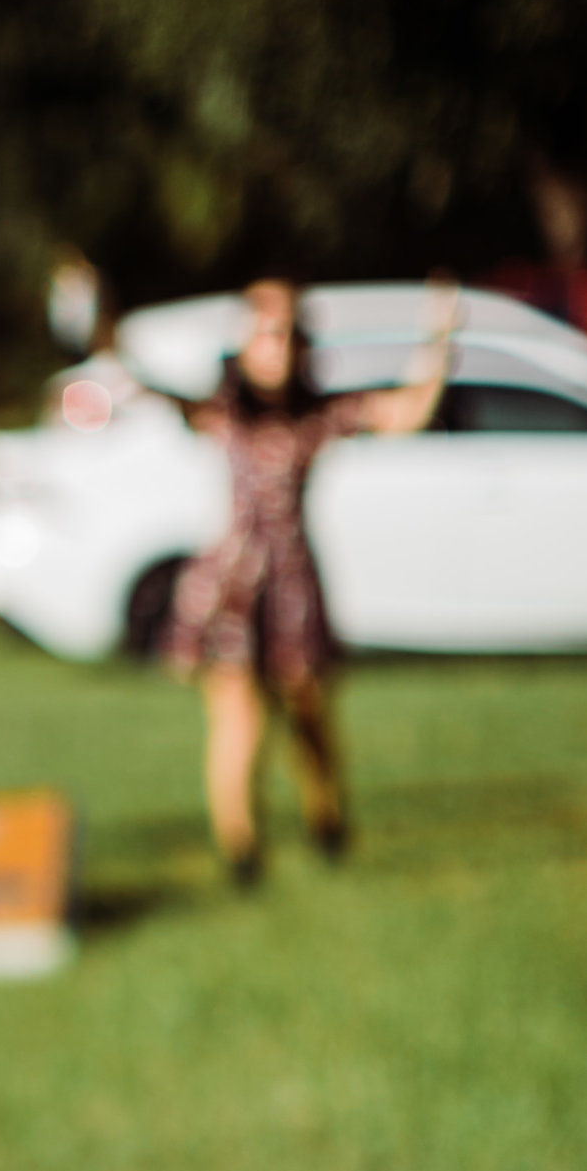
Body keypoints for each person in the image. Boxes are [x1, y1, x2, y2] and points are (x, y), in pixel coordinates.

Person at [165, 273, 458, 880]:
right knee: (238, 718)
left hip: (293, 583)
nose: (279, 343)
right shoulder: (220, 413)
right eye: (267, 330)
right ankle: (240, 849)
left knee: (309, 713)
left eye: (291, 331)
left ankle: (327, 825)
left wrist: (438, 338)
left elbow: (407, 410)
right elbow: (134, 377)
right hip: (232, 585)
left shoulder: (317, 415)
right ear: (243, 341)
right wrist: (99, 314)